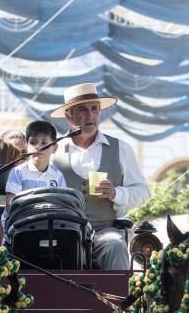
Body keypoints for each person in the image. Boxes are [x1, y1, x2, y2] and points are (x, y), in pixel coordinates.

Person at [51, 83, 150, 269]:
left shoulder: (121, 149)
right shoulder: (54, 151)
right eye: (82, 109)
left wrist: (116, 194)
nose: (90, 115)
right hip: (62, 231)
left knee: (115, 244)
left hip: (105, 230)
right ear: (68, 115)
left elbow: (143, 191)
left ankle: (121, 298)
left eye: (94, 109)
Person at [3, 119, 66, 231]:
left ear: (55, 148)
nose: (38, 147)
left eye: (44, 143)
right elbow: (10, 205)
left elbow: (61, 204)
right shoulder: (18, 172)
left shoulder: (58, 176)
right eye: (33, 142)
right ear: (26, 146)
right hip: (19, 226)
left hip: (47, 226)